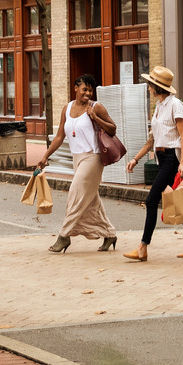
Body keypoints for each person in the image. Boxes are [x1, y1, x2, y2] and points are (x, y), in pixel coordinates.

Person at [123, 66, 183, 261]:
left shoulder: (176, 105)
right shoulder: (159, 107)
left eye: (150, 84)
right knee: (178, 200)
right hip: (162, 158)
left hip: (172, 158)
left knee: (151, 200)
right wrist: (136, 158)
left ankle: (142, 248)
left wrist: (182, 163)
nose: (149, 87)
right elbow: (152, 140)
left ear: (158, 86)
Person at [36, 74, 119, 253]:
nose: (88, 93)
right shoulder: (66, 109)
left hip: (93, 157)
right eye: (84, 89)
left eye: (90, 90)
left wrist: (95, 118)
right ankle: (109, 233)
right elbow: (59, 136)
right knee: (91, 201)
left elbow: (113, 129)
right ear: (75, 88)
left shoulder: (96, 107)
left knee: (75, 195)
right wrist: (46, 156)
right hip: (77, 158)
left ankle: (64, 236)